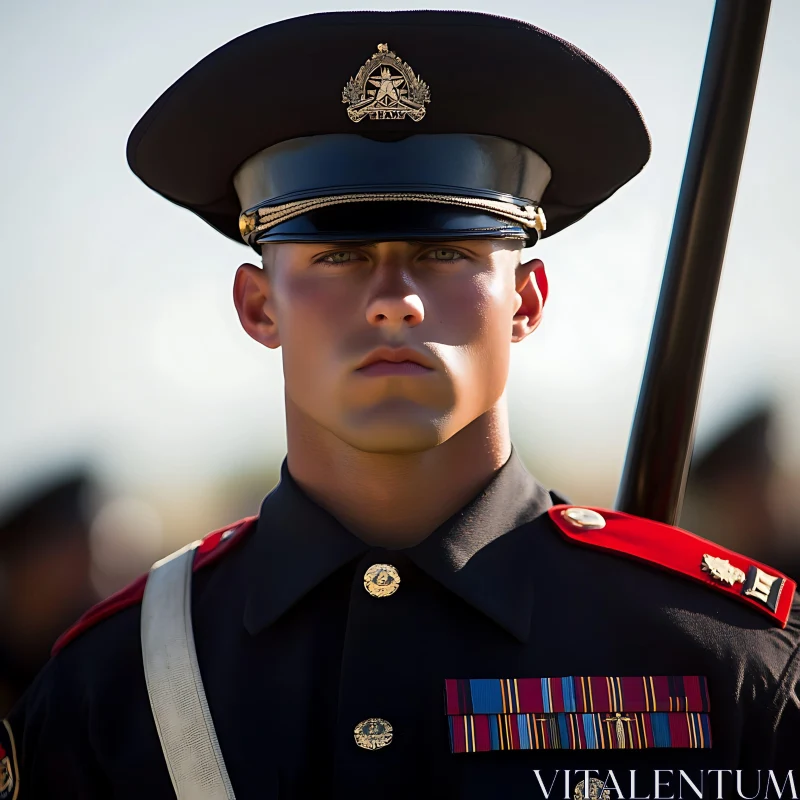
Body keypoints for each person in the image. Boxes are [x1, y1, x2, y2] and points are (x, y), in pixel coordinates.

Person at [3, 11, 799, 800]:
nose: (395, 302)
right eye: (340, 254)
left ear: (526, 299)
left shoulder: (722, 657)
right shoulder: (114, 686)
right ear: (258, 306)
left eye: (446, 252)